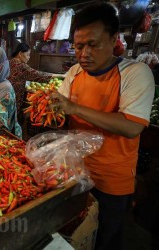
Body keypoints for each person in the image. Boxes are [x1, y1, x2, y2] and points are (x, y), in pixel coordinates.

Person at [50, 3, 155, 249]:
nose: (84, 53)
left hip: (111, 180)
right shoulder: (74, 72)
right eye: (78, 46)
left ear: (113, 40)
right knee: (78, 234)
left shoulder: (135, 73)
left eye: (93, 45)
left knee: (107, 238)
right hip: (74, 172)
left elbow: (131, 126)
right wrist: (49, 110)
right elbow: (60, 111)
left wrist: (74, 108)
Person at [8, 42, 64, 119]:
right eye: (27, 54)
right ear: (20, 53)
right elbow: (38, 75)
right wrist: (61, 75)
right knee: (12, 120)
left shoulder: (10, 62)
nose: (29, 57)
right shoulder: (21, 66)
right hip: (14, 99)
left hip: (6, 97)